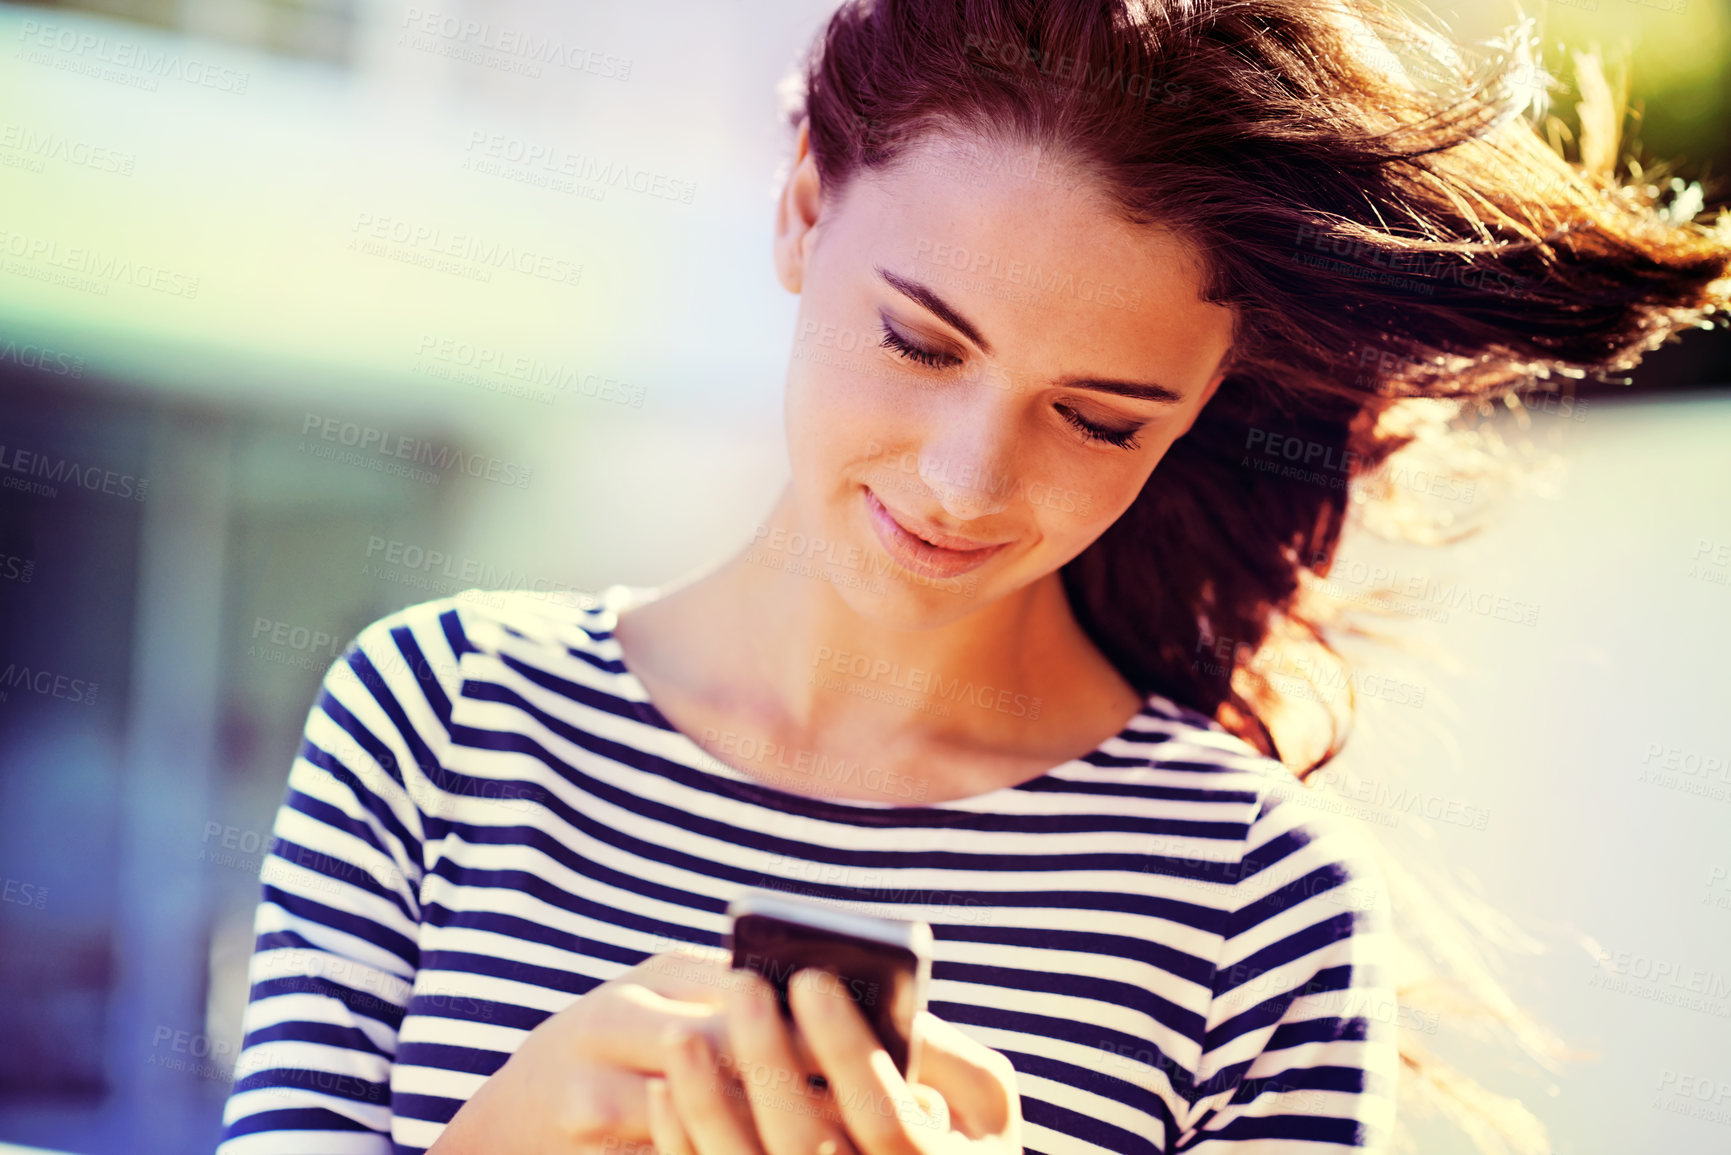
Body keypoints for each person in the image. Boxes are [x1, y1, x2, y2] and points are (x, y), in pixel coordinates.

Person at [213, 0, 1731, 1152]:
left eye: (1097, 416)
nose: (966, 482)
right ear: (806, 203)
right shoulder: (439, 716)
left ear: (1201, 399)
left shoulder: (1258, 902)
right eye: (919, 342)